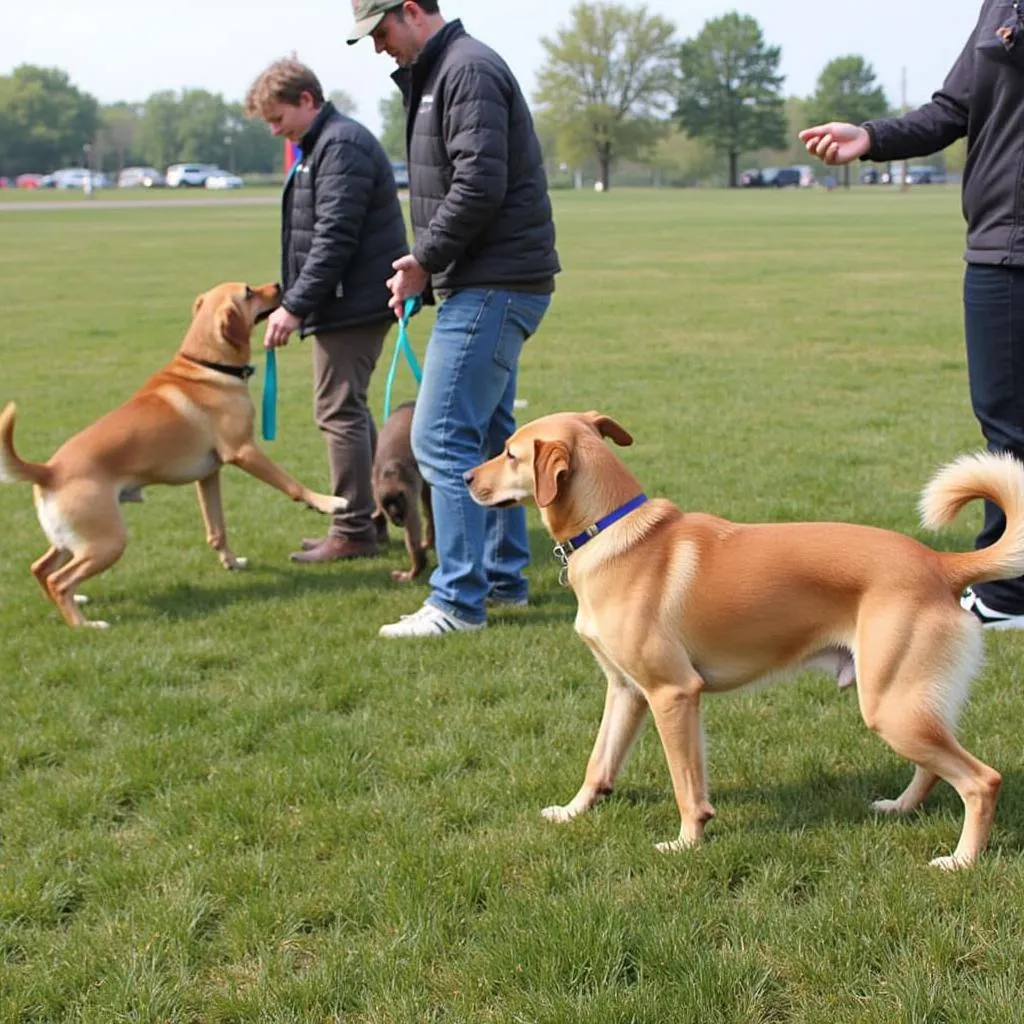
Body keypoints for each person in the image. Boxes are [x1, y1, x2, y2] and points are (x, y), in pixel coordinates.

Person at [800, 0, 1024, 630]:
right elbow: (954, 108)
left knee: (1014, 432)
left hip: (1015, 245)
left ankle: (1008, 598)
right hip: (999, 244)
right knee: (1006, 425)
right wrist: (870, 137)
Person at [347, 1, 561, 637]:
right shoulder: (443, 74)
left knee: (438, 437)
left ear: (412, 10)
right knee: (491, 437)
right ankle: (502, 580)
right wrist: (431, 272)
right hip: (489, 282)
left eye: (380, 31)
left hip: (495, 286)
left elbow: (477, 185)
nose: (379, 48)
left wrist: (422, 262)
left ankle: (457, 602)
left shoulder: (465, 71)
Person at [244, 59, 408, 562]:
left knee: (337, 411)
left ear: (307, 100)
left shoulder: (341, 146)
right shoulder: (325, 145)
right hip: (347, 301)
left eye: (279, 119)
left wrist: (293, 307)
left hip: (352, 304)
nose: (277, 131)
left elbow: (334, 239)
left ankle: (353, 528)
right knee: (348, 410)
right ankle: (370, 519)